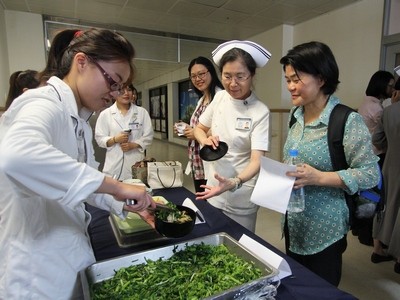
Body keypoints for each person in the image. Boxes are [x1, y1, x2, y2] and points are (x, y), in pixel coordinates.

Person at [0, 29, 156, 299]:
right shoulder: (42, 103)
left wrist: (121, 202)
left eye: (120, 87)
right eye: (113, 81)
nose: (114, 93)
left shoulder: (79, 120)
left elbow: (82, 179)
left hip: (66, 251)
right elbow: (17, 156)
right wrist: (116, 186)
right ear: (81, 62)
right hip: (37, 271)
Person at [280, 41, 380, 286]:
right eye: (288, 79)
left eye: (297, 79)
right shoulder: (296, 115)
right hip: (294, 224)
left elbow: (369, 174)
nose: (290, 87)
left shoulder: (347, 120)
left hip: (326, 230)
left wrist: (319, 178)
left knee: (320, 290)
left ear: (321, 79)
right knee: (296, 288)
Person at [194, 40, 271, 232]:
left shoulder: (260, 111)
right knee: (213, 241)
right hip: (214, 187)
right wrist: (205, 140)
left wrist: (235, 182)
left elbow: (257, 160)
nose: (233, 84)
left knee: (240, 246)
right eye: (227, 76)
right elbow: (199, 128)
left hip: (241, 192)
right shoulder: (220, 98)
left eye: (240, 76)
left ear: (252, 75)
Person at [174, 56, 223, 192]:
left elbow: (223, 130)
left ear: (211, 72)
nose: (197, 79)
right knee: (201, 198)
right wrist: (187, 129)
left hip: (212, 158)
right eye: (193, 76)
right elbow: (199, 126)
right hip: (198, 160)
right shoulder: (201, 99)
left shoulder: (221, 97)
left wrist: (195, 133)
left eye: (201, 74)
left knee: (210, 200)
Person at [371, 75, 400, 274]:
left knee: (385, 204)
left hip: (390, 164)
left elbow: (377, 138)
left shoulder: (389, 111)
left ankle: (377, 249)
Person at [95, 83, 154, 180]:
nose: (126, 93)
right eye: (122, 90)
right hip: (113, 166)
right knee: (113, 193)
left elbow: (148, 136)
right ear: (113, 93)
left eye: (129, 90)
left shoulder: (141, 112)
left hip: (136, 164)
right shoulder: (106, 114)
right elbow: (99, 138)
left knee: (136, 191)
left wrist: (134, 145)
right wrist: (114, 139)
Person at [358, 70, 395, 168]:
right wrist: (395, 105)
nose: (393, 89)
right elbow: (390, 130)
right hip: (376, 153)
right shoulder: (375, 107)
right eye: (391, 86)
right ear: (382, 85)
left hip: (367, 150)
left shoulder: (367, 101)